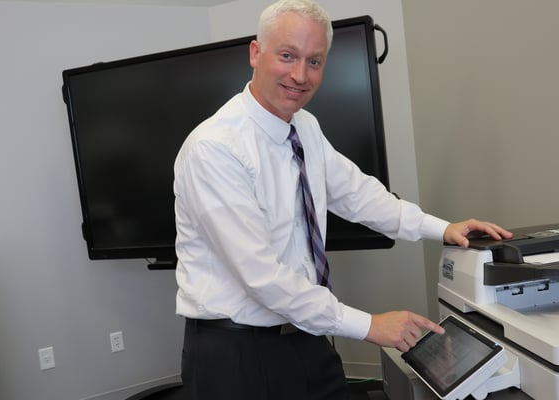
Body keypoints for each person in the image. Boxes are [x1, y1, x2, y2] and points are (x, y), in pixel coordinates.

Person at [173, 1, 513, 399]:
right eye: (287, 56)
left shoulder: (305, 127)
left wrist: (443, 228)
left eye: (314, 61)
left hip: (305, 336)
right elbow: (262, 278)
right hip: (236, 355)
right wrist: (370, 326)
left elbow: (360, 195)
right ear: (255, 53)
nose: (300, 75)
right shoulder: (215, 149)